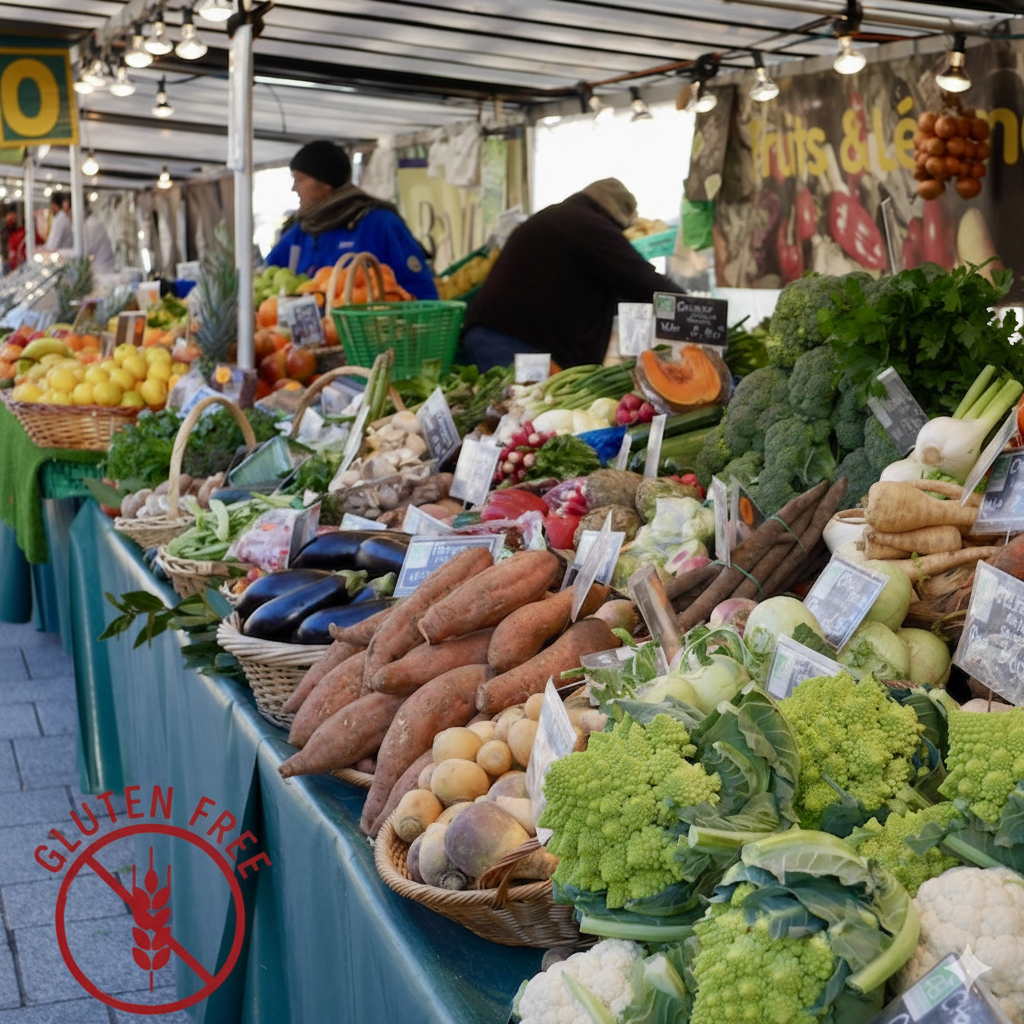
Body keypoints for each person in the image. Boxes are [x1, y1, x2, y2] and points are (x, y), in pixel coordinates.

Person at [463, 179, 681, 371]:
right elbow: (642, 281)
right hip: (512, 341)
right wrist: (693, 311)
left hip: (495, 334)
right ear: (617, 218)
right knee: (529, 413)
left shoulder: (560, 216)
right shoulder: (591, 227)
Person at [266, 140, 437, 299]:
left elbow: (421, 292)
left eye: (299, 179)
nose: (294, 188)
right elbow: (267, 277)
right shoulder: (301, 232)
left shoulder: (378, 224)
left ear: (326, 182)